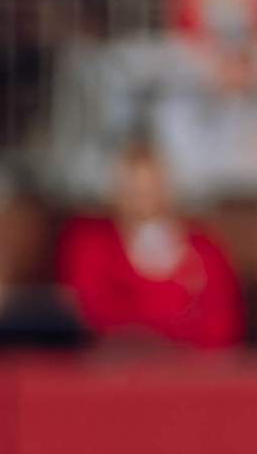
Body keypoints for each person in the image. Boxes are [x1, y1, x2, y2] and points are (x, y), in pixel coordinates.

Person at [57, 143, 244, 351]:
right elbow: (91, 315)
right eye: (133, 188)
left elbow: (224, 325)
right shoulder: (91, 246)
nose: (142, 198)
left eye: (151, 186)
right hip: (118, 373)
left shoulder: (204, 251)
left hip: (194, 374)